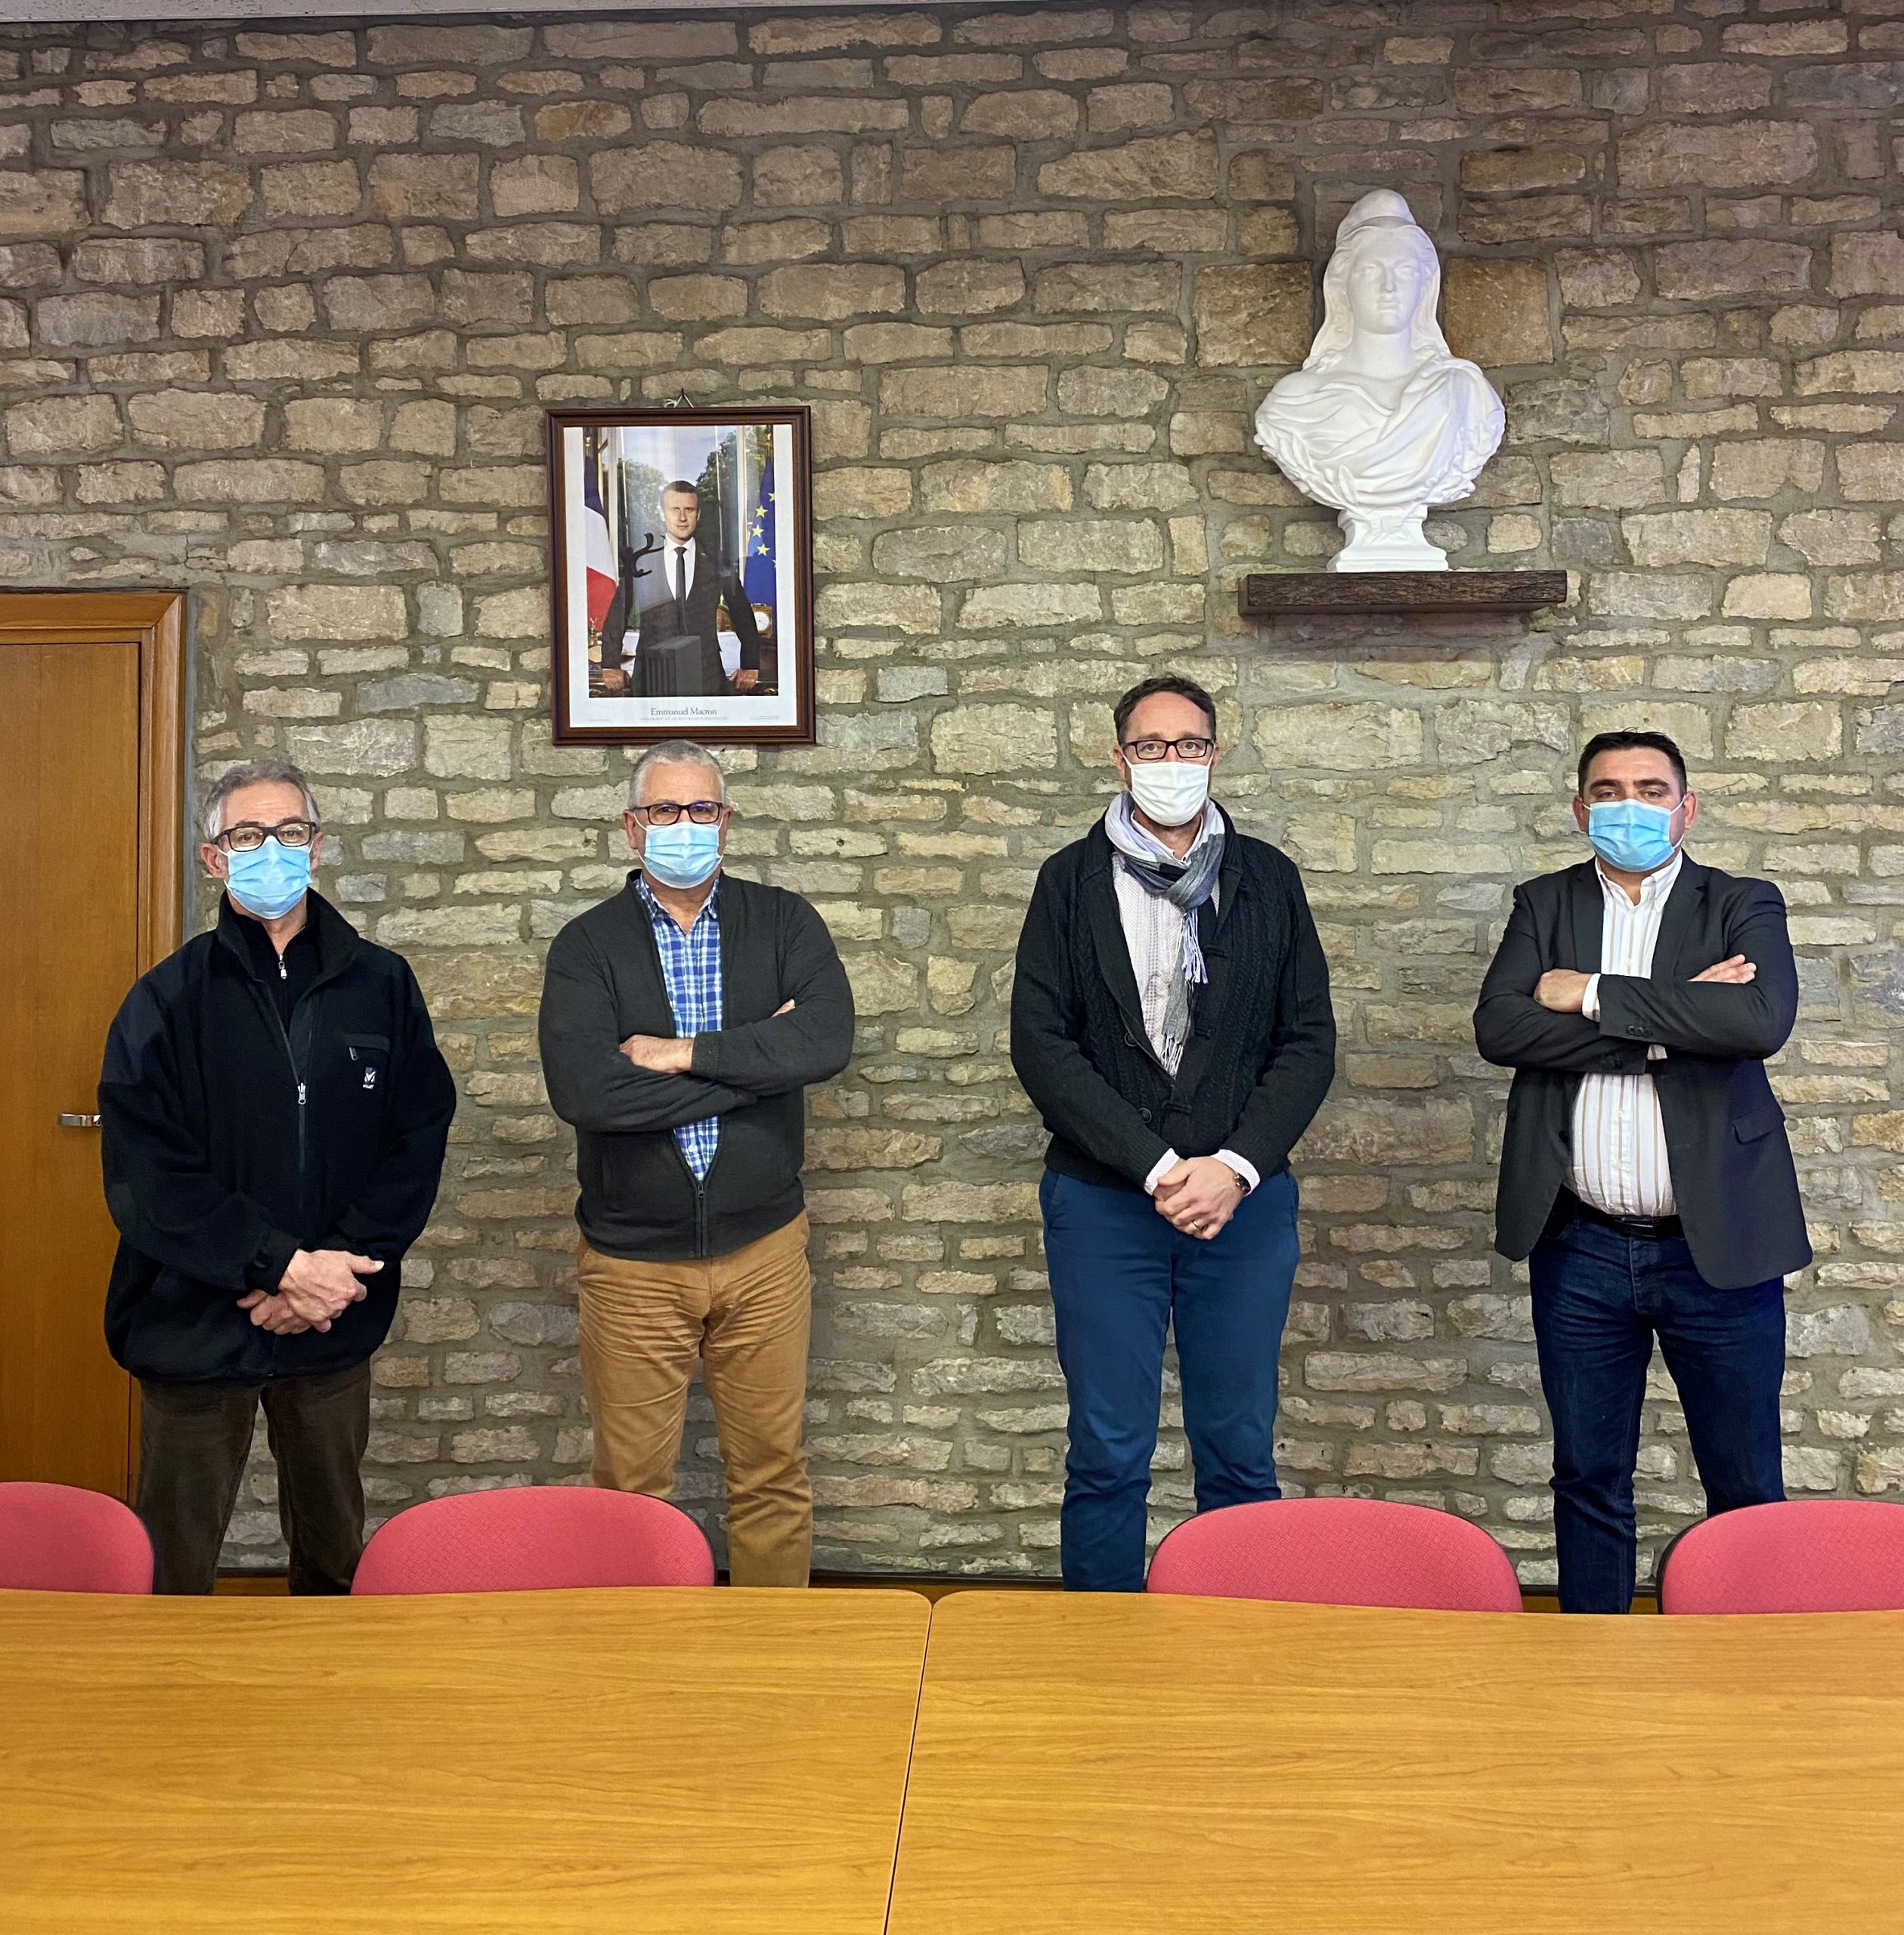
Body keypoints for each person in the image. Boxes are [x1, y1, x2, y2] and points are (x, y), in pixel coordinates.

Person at [1011, 676, 1336, 1592]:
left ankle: (1236, 1646)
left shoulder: (1267, 878)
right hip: (1104, 1202)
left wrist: (1231, 1167)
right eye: (1149, 746)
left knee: (1237, 1447)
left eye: (1187, 744)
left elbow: (1306, 1041)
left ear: (1214, 755)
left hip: (1243, 1203)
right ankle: (1103, 1648)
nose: (1170, 762)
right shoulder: (1068, 881)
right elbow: (1041, 1046)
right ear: (1119, 760)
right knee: (1106, 1448)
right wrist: (1156, 1167)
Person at [99, 760, 455, 1594]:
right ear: (212, 857)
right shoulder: (166, 999)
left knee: (332, 1558)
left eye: (289, 831)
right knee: (173, 1566)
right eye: (247, 834)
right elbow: (149, 1176)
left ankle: (327, 1680)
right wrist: (277, 1265)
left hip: (334, 1316)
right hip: (194, 1323)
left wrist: (330, 1274)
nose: (271, 849)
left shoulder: (382, 984)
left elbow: (415, 1141)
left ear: (317, 846)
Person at [1474, 729, 1806, 1614]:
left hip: (1716, 1244)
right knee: (1587, 1474)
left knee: (1743, 1479)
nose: (1630, 805)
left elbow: (1757, 1021)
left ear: (1684, 807)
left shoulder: (1740, 901)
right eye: (1608, 790)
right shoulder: (1543, 902)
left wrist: (1587, 993)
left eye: (1650, 789)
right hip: (1578, 1243)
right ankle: (1592, 1663)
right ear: (1579, 808)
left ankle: (1750, 1660)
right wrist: (1674, 1024)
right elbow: (1499, 1029)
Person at [538, 738, 854, 1585]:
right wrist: (756, 1070)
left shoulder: (783, 921)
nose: (685, 824)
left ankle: (767, 1648)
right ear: (631, 827)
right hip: (632, 1266)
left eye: (701, 808)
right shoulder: (586, 945)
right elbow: (588, 1093)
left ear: (727, 820)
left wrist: (678, 1054)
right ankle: (640, 1653)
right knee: (631, 1490)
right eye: (664, 810)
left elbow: (824, 1040)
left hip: (764, 1252)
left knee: (772, 1478)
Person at [1252, 189, 1504, 570]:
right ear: (1343, 285)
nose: (1390, 287)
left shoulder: (1467, 395)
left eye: (1405, 271)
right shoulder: (1295, 403)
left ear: (1425, 286)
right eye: (1371, 271)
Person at [615, 478, 762, 698]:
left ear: (698, 514)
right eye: (675, 509)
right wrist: (610, 664)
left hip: (706, 674)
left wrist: (750, 664)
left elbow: (741, 612)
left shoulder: (715, 560)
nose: (682, 517)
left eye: (689, 510)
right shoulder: (642, 560)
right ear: (662, 513)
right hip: (651, 675)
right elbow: (619, 612)